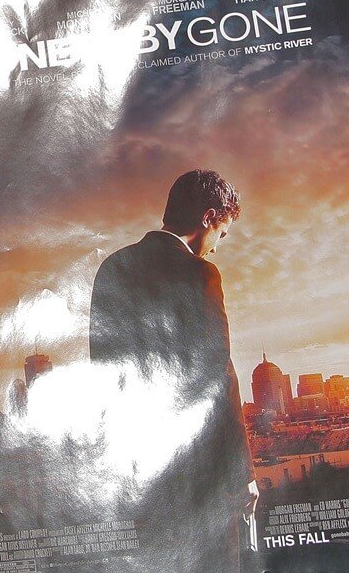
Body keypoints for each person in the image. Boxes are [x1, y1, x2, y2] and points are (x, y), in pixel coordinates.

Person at [89, 169, 255, 572]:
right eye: (223, 232)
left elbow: (103, 374)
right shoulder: (199, 274)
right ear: (208, 217)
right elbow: (218, 376)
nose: (217, 247)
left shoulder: (112, 268)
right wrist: (242, 472)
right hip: (200, 475)